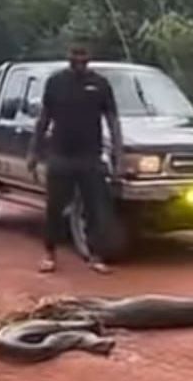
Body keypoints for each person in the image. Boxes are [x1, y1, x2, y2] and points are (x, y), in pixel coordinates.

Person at [29, 43, 124, 275]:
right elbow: (44, 119)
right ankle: (50, 253)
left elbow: (113, 120)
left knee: (96, 209)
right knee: (54, 207)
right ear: (68, 56)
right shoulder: (56, 82)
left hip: (90, 156)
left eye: (83, 54)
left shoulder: (101, 84)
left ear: (90, 57)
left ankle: (96, 255)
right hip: (61, 156)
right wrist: (34, 151)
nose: (79, 59)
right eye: (75, 54)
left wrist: (117, 155)